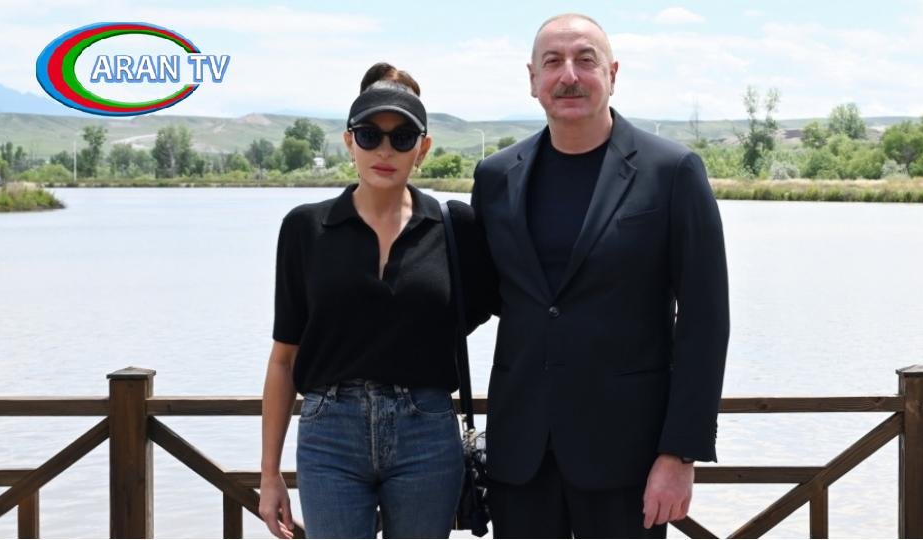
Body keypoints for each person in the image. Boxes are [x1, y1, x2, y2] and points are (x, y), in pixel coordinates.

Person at [470, 13, 730, 538]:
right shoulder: (495, 176)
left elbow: (705, 321)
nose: (569, 75)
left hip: (629, 458)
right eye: (553, 62)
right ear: (532, 80)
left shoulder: (672, 172)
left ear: (612, 73)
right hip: (520, 456)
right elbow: (487, 298)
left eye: (585, 60)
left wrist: (680, 453)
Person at [258, 62, 494, 539]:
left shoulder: (455, 228)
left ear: (423, 149)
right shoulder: (306, 228)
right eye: (370, 136)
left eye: (402, 138)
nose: (385, 150)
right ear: (349, 142)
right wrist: (269, 474)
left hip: (427, 432)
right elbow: (283, 359)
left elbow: (485, 313)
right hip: (330, 433)